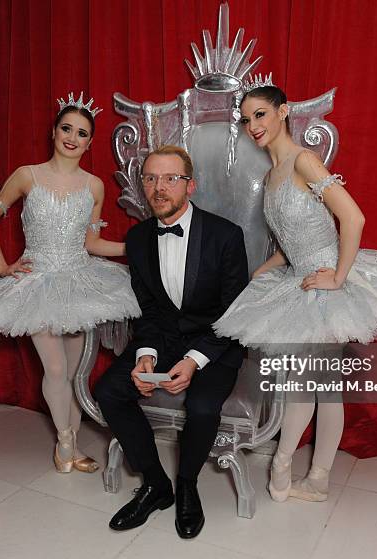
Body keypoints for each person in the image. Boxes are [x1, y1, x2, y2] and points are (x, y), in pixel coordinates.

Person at [213, 78, 377, 503]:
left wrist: (339, 278)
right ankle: (319, 479)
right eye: (246, 118)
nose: (253, 125)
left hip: (327, 284)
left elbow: (354, 219)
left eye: (260, 114)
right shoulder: (274, 173)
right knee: (324, 387)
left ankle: (282, 466)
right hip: (298, 280)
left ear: (283, 111)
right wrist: (262, 272)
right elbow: (293, 241)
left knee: (304, 385)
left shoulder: (304, 160)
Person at [0, 92, 141, 475]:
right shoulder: (27, 175)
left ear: (90, 142)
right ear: (54, 131)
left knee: (78, 371)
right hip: (38, 283)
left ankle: (74, 445)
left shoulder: (94, 186)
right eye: (67, 128)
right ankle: (64, 443)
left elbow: (91, 243)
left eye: (81, 133)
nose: (72, 138)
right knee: (57, 369)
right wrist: (1, 265)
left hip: (80, 280)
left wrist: (138, 247)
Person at [93, 145, 248, 539]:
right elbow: (148, 310)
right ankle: (155, 485)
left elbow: (233, 314)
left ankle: (187, 486)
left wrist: (195, 360)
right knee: (110, 390)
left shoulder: (226, 235)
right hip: (162, 338)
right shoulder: (139, 237)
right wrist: (145, 356)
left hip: (218, 341)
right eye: (150, 178)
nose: (159, 188)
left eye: (170, 178)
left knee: (201, 406)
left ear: (190, 185)